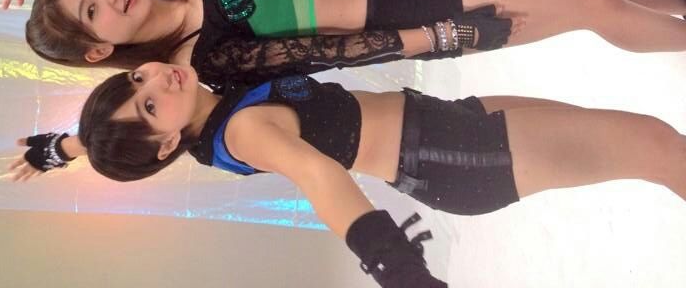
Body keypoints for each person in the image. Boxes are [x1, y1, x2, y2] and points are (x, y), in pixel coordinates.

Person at [0, 0, 686, 179]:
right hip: (407, 15)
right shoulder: (187, 69)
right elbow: (140, 125)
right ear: (96, 51)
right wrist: (70, 148)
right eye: (92, 10)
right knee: (587, 6)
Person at [78, 60, 686, 286]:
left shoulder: (207, 105)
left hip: (446, 125)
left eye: (138, 78)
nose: (157, 81)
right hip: (451, 155)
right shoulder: (242, 131)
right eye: (149, 106)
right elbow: (317, 176)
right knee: (655, 146)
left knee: (646, 142)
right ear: (165, 145)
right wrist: (396, 269)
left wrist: (66, 147)